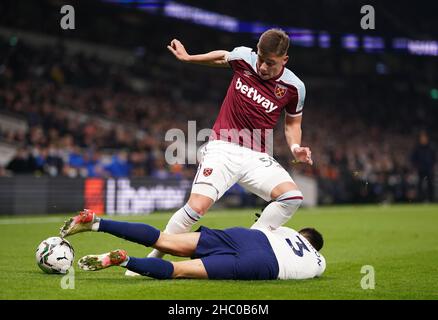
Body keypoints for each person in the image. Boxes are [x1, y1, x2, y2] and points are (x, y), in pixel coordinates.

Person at [127, 28, 312, 276]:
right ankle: (154, 256)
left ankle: (253, 239)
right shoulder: (244, 58)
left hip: (257, 155)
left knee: (292, 197)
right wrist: (189, 58)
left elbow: (292, 124)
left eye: (270, 63)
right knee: (196, 209)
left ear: (284, 60)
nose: (263, 66)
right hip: (223, 147)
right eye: (260, 58)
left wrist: (295, 147)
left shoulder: (294, 87)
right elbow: (222, 56)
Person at [60, 209, 326, 280]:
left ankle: (96, 222)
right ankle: (124, 260)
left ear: (302, 233)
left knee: (165, 240)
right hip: (266, 263)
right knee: (178, 270)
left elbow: (267, 223)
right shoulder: (319, 261)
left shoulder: (288, 231)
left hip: (251, 237)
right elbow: (315, 267)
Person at [411, 130, 436, 202]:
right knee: (419, 185)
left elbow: (434, 158)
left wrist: (433, 166)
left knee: (430, 185)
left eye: (424, 137)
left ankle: (432, 199)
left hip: (429, 169)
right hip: (420, 169)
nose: (423, 139)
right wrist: (416, 166)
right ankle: (420, 200)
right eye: (422, 138)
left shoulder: (431, 147)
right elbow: (413, 158)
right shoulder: (417, 148)